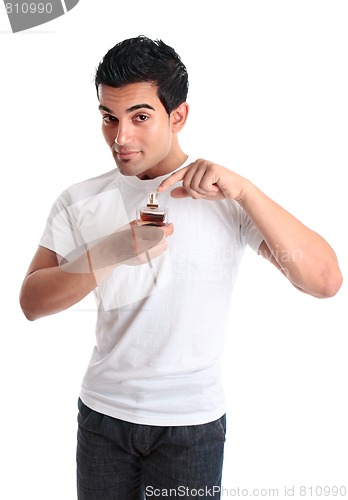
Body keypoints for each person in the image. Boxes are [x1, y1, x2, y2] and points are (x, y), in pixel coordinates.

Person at [19, 36, 342, 500]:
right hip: (103, 419)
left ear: (179, 116)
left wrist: (247, 191)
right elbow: (31, 303)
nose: (121, 137)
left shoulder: (224, 196)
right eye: (109, 118)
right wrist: (113, 249)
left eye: (140, 116)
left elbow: (324, 280)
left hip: (191, 427)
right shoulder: (80, 199)